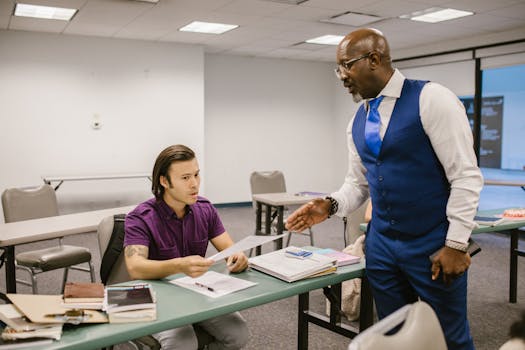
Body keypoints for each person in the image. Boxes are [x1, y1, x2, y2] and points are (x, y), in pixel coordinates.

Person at [286, 28, 483, 350]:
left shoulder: (432, 99)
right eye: (339, 68)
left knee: (450, 337)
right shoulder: (358, 120)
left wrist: (457, 244)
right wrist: (330, 204)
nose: (341, 76)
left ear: (374, 59)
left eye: (345, 66)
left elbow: (465, 175)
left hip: (434, 243)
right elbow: (358, 182)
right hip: (382, 248)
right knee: (396, 336)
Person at [124, 144, 250, 350]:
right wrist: (179, 266)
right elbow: (135, 267)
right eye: (185, 178)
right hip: (157, 297)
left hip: (196, 291)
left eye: (197, 175)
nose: (195, 184)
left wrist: (238, 257)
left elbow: (229, 248)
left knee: (239, 335)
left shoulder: (205, 209)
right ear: (164, 181)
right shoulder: (140, 217)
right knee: (182, 343)